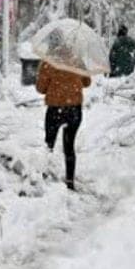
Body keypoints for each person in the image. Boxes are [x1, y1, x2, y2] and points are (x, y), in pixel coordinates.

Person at [36, 60, 90, 190]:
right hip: (74, 109)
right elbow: (87, 82)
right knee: (69, 146)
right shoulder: (77, 60)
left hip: (55, 108)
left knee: (49, 144)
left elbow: (41, 88)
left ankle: (44, 177)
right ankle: (70, 181)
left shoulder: (49, 61)